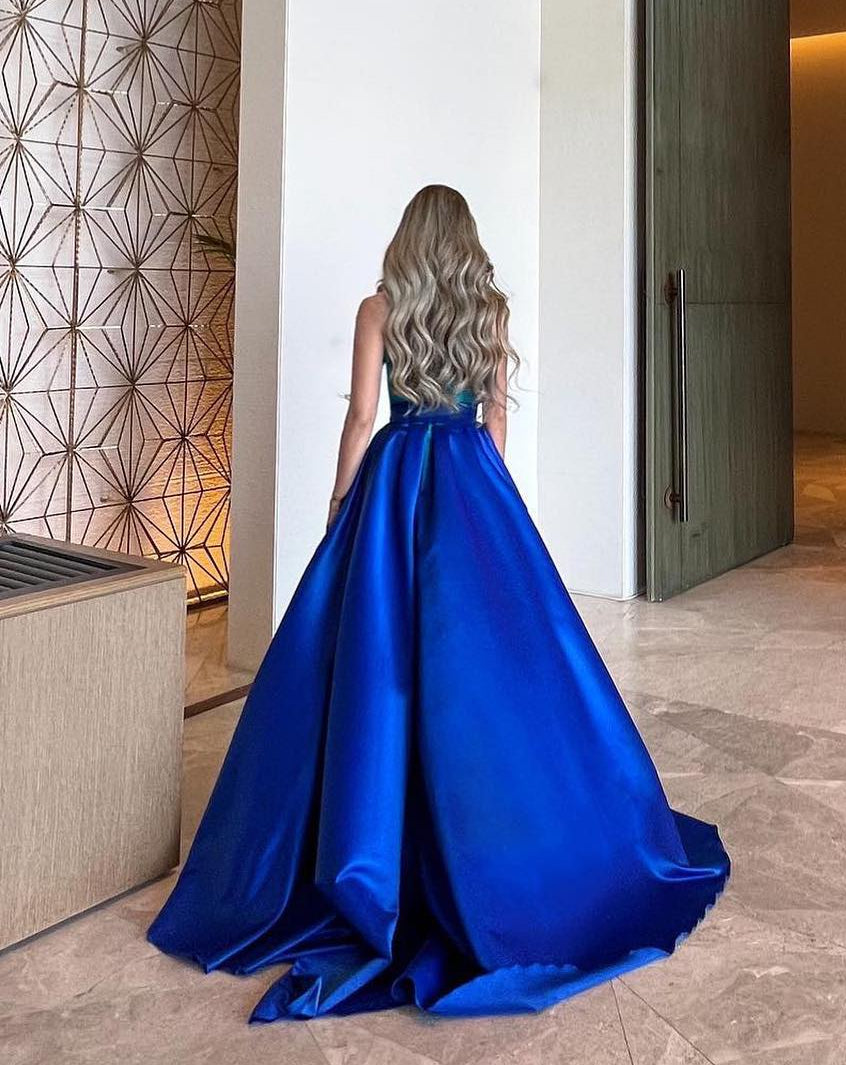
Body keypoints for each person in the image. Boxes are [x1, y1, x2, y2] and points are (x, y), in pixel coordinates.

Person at [147, 184, 730, 1023]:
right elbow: (495, 426)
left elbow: (358, 418)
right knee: (485, 672)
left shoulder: (379, 307)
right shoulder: (488, 309)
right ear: (464, 242)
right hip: (469, 483)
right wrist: (492, 509)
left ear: (407, 239)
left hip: (395, 486)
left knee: (372, 666)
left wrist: (341, 503)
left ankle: (364, 840)